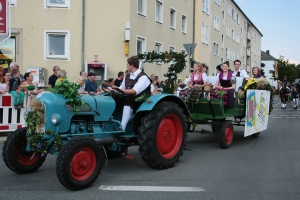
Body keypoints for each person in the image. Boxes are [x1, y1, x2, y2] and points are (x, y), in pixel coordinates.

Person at [119, 57, 151, 130]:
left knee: (129, 98)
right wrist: (113, 89)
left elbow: (134, 91)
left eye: (127, 64)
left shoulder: (143, 77)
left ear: (131, 65)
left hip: (142, 97)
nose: (126, 66)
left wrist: (120, 90)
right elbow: (122, 88)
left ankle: (122, 127)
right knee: (116, 97)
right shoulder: (127, 76)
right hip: (131, 96)